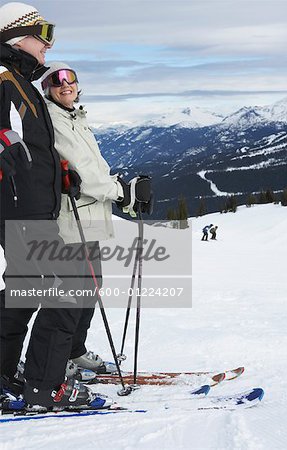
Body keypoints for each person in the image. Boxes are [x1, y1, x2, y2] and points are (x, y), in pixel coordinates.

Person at [0, 2, 112, 411]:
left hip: (30, 206)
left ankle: (5, 375)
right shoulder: (4, 80)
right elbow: (8, 137)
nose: (48, 45)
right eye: (41, 33)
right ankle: (45, 388)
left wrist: (62, 175)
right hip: (22, 209)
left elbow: (33, 148)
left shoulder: (20, 83)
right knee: (68, 292)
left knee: (24, 293)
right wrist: (8, 153)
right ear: (16, 36)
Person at [40, 62, 152, 375]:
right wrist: (121, 193)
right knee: (72, 294)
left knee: (90, 287)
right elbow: (86, 176)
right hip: (70, 220)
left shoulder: (75, 117)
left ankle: (73, 352)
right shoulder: (54, 120)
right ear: (47, 88)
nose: (65, 86)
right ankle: (58, 359)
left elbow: (94, 168)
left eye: (70, 80)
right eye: (56, 81)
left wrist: (123, 187)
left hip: (88, 220)